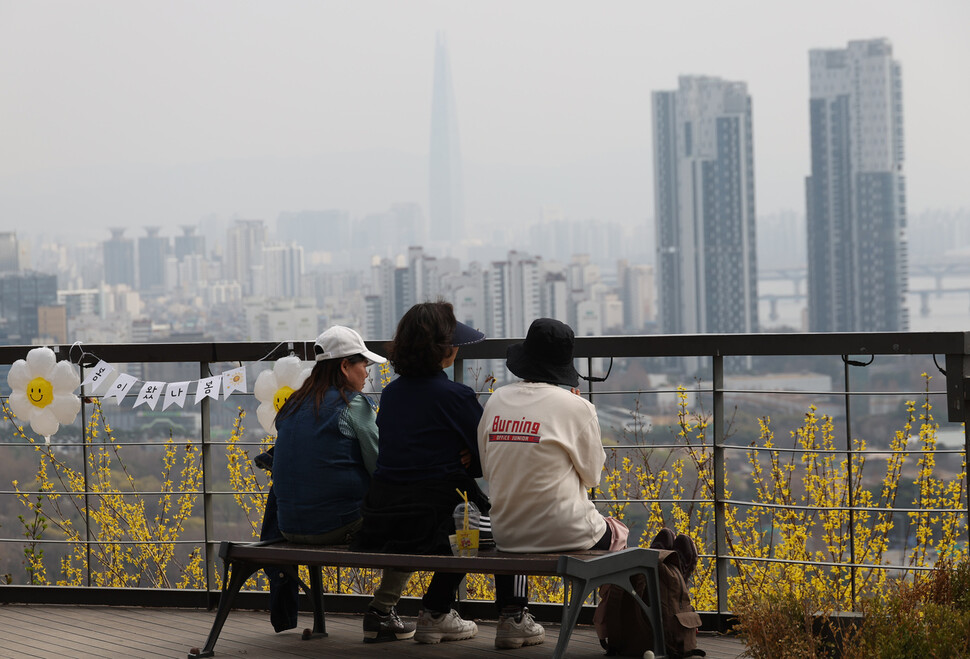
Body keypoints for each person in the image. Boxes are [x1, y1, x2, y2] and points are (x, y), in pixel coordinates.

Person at [353, 301, 543, 649]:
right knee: (502, 526)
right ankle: (512, 617)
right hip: (434, 524)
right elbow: (489, 459)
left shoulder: (392, 394)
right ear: (444, 349)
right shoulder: (456, 396)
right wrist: (469, 461)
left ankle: (437, 612)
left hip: (386, 521)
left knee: (464, 521)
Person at [270, 325, 415, 644]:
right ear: (344, 366)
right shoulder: (353, 404)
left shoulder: (293, 404)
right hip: (335, 526)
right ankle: (382, 611)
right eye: (363, 364)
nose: (368, 372)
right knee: (415, 523)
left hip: (288, 526)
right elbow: (382, 466)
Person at [477, 318, 618, 630]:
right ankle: (619, 625)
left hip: (507, 533)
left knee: (520, 516)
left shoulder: (496, 399)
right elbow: (593, 476)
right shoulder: (576, 408)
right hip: (568, 532)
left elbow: (488, 469)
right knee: (617, 533)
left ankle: (512, 617)